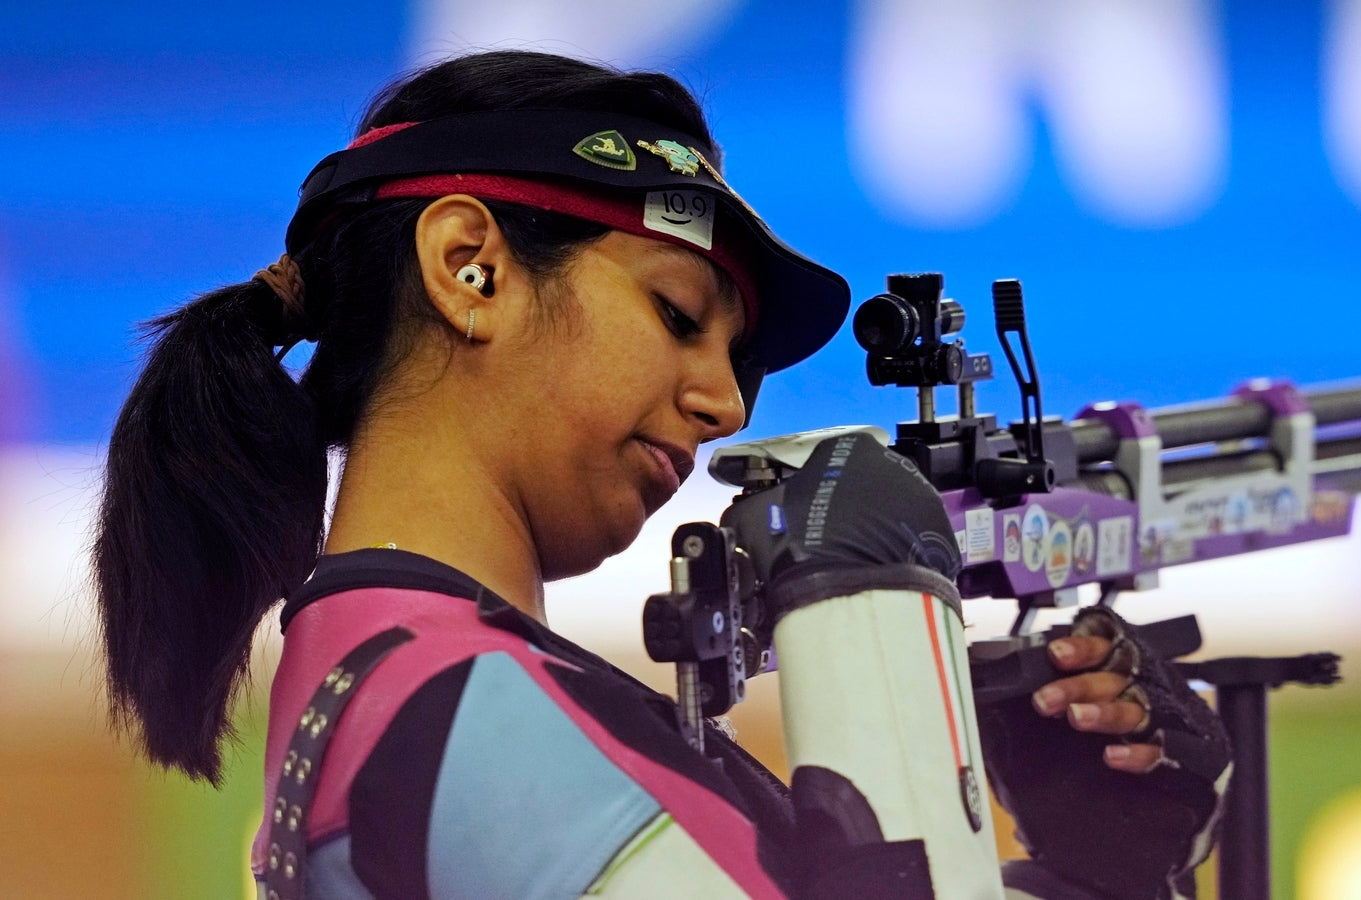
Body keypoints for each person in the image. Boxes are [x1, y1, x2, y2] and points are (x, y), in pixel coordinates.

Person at [93, 51, 1228, 899]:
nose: (724, 401)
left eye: (736, 362)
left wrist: (1094, 870)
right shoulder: (457, 714)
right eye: (678, 315)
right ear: (469, 267)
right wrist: (874, 621)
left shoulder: (435, 689)